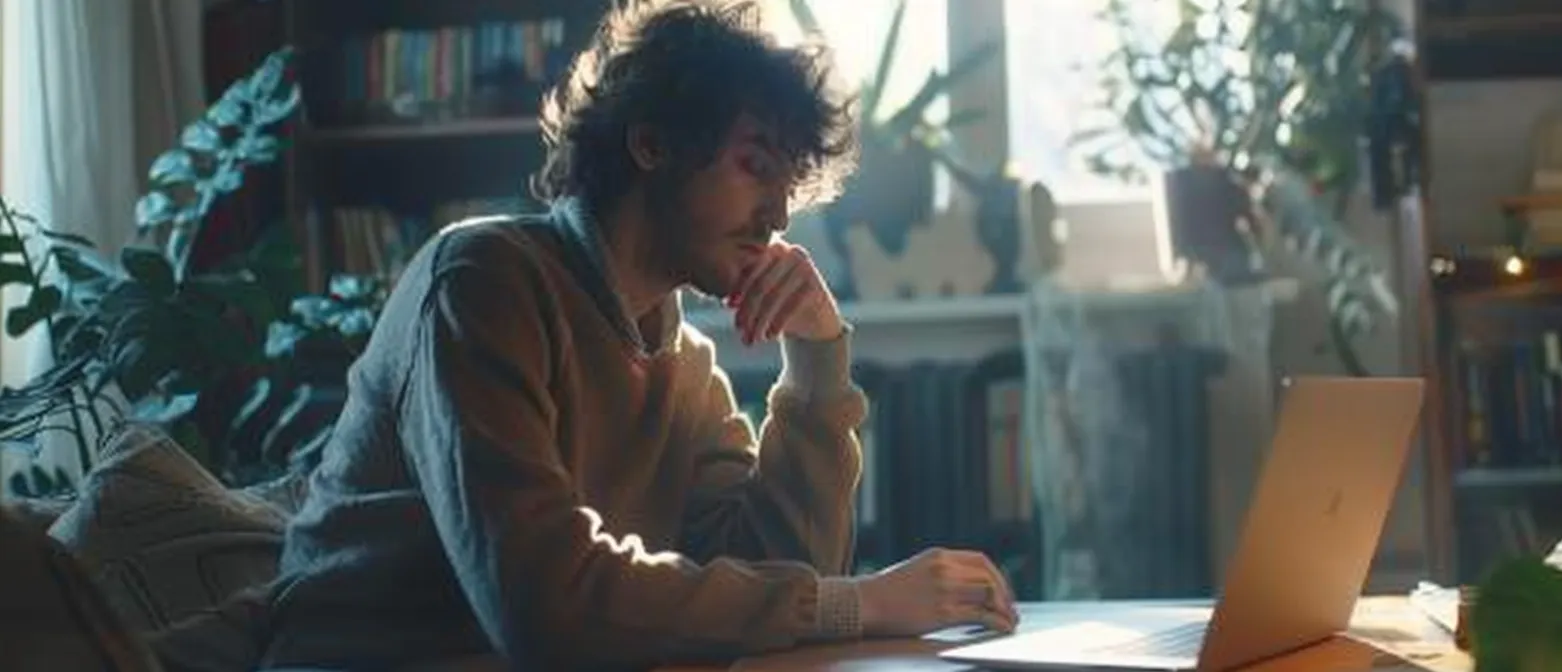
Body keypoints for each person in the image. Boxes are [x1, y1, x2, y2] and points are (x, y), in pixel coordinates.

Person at [254, 1, 1020, 670]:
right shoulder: (482, 280)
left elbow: (778, 569)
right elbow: (544, 606)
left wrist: (817, 363)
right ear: (652, 144)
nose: (779, 218)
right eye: (756, 167)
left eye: (789, 185)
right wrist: (856, 605)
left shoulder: (680, 361)